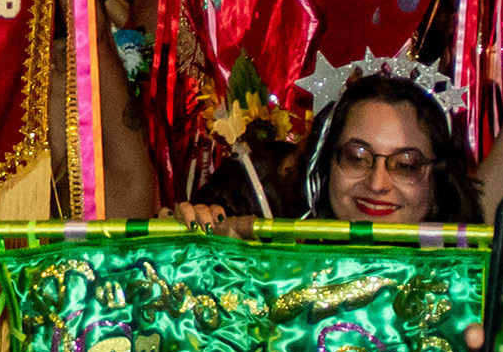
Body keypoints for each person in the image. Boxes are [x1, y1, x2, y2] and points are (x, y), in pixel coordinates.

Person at [178, 71, 479, 234]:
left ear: (439, 180)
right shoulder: (271, 269)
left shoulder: (476, 291)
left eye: (405, 165)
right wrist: (191, 247)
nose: (377, 184)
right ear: (325, 166)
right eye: (357, 157)